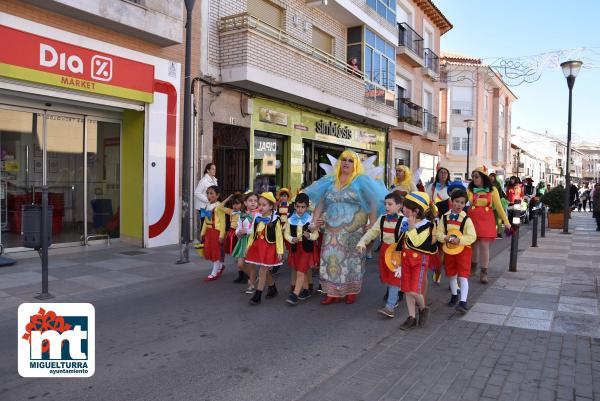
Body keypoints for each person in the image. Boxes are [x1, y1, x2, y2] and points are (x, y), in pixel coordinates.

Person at [304, 150, 388, 305]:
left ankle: (351, 290)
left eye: (350, 160)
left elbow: (373, 202)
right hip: (331, 228)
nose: (346, 163)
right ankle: (332, 292)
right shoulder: (330, 181)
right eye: (344, 159)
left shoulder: (361, 181)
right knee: (329, 257)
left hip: (354, 228)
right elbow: (321, 203)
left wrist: (371, 223)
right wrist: (314, 222)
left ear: (355, 164)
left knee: (352, 259)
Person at [356, 192, 404, 318]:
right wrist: (362, 242)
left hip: (397, 252)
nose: (386, 207)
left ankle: (390, 307)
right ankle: (397, 294)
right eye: (385, 204)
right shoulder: (382, 218)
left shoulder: (404, 221)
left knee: (394, 279)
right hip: (384, 251)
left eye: (390, 204)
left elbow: (408, 239)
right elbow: (372, 232)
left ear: (399, 206)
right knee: (388, 277)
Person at [395, 191, 437, 330]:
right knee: (407, 290)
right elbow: (401, 240)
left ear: (416, 211)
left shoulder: (427, 225)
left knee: (414, 291)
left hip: (419, 260)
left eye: (406, 207)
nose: (403, 209)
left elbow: (418, 242)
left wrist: (411, 227)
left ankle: (423, 308)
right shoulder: (405, 221)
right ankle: (411, 317)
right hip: (406, 259)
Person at [436, 188, 476, 314]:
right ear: (451, 201)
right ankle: (454, 296)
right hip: (449, 251)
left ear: (465, 204)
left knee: (463, 276)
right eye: (457, 201)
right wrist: (445, 238)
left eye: (462, 203)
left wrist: (460, 240)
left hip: (464, 251)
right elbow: (438, 233)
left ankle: (463, 302)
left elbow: (472, 237)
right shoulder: (445, 217)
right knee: (451, 274)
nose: (459, 205)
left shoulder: (467, 220)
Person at [468, 167, 510, 284]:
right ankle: (473, 267)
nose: (474, 179)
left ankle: (484, 272)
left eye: (476, 176)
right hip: (472, 220)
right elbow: (468, 202)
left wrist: (506, 222)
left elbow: (500, 207)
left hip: (486, 220)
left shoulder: (493, 190)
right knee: (473, 245)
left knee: (484, 246)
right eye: (473, 176)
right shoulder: (470, 189)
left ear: (483, 177)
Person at [245, 192, 284, 305]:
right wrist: (248, 246)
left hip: (269, 249)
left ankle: (257, 295)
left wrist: (280, 251)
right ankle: (272, 288)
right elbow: (253, 234)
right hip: (258, 247)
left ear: (271, 206)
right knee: (265, 271)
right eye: (259, 204)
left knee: (262, 271)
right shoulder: (257, 218)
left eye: (264, 205)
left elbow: (279, 236)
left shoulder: (275, 219)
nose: (260, 207)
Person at [284, 193, 319, 306]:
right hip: (295, 249)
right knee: (299, 269)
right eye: (298, 206)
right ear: (294, 206)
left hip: (306, 249)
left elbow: (316, 235)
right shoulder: (290, 220)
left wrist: (310, 236)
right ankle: (306, 290)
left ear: (307, 207)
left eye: (303, 207)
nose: (300, 209)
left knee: (300, 271)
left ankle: (295, 295)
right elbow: (286, 234)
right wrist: (291, 239)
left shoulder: (310, 220)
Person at [232, 192, 260, 293]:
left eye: (255, 201)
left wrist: (247, 231)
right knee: (240, 264)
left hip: (253, 241)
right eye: (250, 201)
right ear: (245, 202)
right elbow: (238, 226)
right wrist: (238, 232)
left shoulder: (258, 215)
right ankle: (255, 277)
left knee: (251, 264)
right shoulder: (242, 215)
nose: (253, 203)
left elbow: (257, 229)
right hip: (243, 240)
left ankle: (251, 284)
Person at [200, 185, 226, 282]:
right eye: (207, 193)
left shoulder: (219, 206)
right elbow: (205, 221)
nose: (209, 195)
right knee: (210, 250)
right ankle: (220, 266)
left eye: (211, 193)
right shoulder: (207, 205)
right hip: (209, 232)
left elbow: (223, 222)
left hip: (216, 232)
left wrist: (221, 235)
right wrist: (203, 232)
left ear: (217, 195)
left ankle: (214, 273)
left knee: (216, 252)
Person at [194, 163, 218, 246]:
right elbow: (196, 192)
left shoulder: (214, 180)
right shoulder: (204, 181)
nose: (214, 170)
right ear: (208, 170)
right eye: (212, 169)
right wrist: (207, 199)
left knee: (211, 224)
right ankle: (203, 243)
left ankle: (209, 242)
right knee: (205, 224)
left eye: (215, 169)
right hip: (203, 207)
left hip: (211, 207)